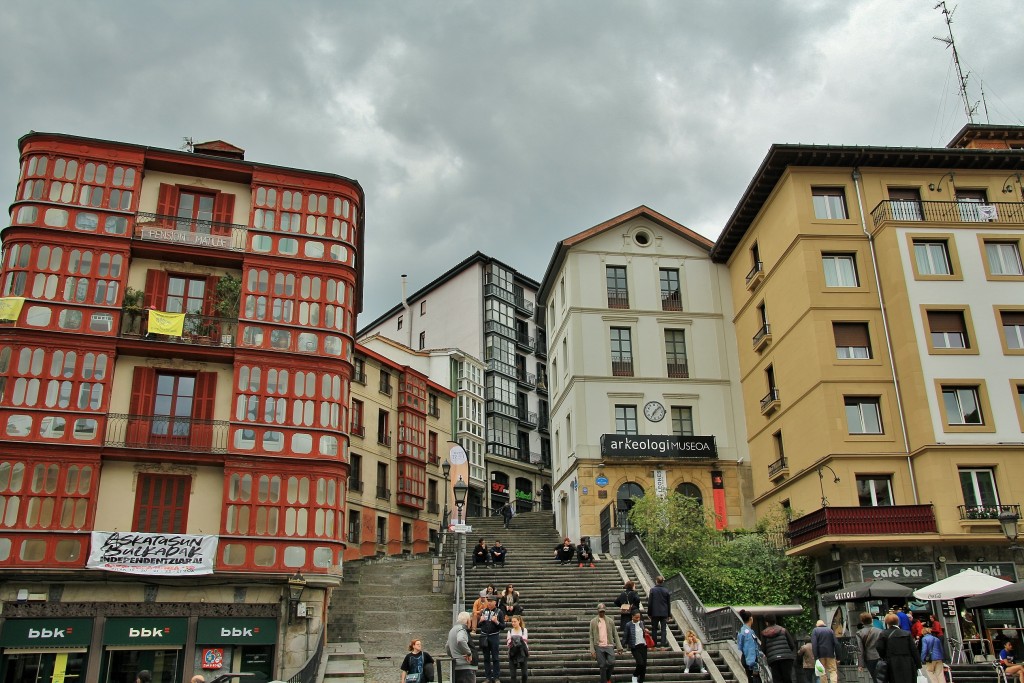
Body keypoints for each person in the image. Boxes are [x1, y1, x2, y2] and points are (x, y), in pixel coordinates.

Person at [878, 612, 920, 683]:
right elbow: (914, 650)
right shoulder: (906, 633)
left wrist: (885, 657)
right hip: (907, 661)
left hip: (891, 662)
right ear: (898, 621)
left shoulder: (883, 634)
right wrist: (918, 664)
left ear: (887, 623)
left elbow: (879, 648)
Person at [589, 603, 624, 683]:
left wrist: (619, 647)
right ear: (597, 611)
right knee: (602, 665)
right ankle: (604, 681)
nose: (602, 613)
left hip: (609, 644)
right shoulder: (593, 622)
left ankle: (607, 677)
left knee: (612, 662)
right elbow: (591, 636)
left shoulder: (610, 621)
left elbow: (615, 634)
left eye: (603, 611)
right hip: (598, 645)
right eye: (600, 611)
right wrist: (592, 650)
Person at [762, 613, 797, 683]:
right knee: (788, 678)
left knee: (777, 679)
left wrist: (769, 655)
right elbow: (792, 645)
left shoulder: (764, 633)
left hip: (773, 659)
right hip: (786, 658)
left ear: (766, 622)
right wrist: (787, 652)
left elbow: (763, 648)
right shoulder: (783, 630)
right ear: (775, 620)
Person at [478, 594, 503, 683]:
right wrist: (480, 621)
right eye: (488, 601)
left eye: (490, 601)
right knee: (486, 658)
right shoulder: (484, 611)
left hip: (494, 636)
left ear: (495, 602)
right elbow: (479, 625)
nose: (489, 603)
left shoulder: (499, 612)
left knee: (495, 658)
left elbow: (503, 626)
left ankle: (496, 677)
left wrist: (496, 622)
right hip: (485, 636)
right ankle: (488, 677)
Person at [447, 611, 477, 683]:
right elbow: (460, 640)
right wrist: (469, 653)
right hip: (466, 667)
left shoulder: (452, 630)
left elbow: (447, 647)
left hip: (457, 667)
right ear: (467, 621)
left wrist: (454, 656)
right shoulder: (461, 629)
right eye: (470, 620)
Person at [856, 611, 883, 681]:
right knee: (883, 677)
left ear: (862, 621)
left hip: (869, 658)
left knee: (874, 677)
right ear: (871, 620)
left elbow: (860, 649)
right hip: (880, 656)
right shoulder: (880, 631)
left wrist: (860, 664)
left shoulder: (860, 633)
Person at [625, 609, 650, 683]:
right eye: (636, 617)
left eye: (639, 617)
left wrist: (646, 631)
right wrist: (622, 647)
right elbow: (625, 636)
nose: (638, 619)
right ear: (632, 617)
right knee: (640, 663)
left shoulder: (642, 623)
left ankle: (641, 680)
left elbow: (643, 633)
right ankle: (635, 675)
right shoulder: (628, 625)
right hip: (635, 647)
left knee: (644, 665)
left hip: (643, 645)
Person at [647, 576, 671, 650]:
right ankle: (662, 645)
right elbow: (668, 603)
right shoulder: (666, 591)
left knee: (654, 629)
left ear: (656, 581)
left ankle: (654, 645)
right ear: (662, 582)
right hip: (664, 612)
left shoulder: (653, 590)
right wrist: (669, 614)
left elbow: (650, 603)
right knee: (663, 629)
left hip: (655, 612)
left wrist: (649, 613)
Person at [811, 619, 839, 683]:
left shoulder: (815, 631)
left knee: (822, 672)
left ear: (817, 625)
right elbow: (836, 644)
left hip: (820, 655)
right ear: (824, 624)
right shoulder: (830, 630)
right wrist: (838, 657)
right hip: (830, 654)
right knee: (833, 670)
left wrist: (816, 656)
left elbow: (814, 644)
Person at [737, 609, 761, 683]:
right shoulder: (748, 632)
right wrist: (753, 664)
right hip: (750, 660)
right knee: (755, 680)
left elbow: (740, 646)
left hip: (745, 657)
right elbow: (749, 648)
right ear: (751, 618)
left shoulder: (742, 630)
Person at [506, 614, 529, 683]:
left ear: (519, 621)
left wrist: (515, 640)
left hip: (522, 653)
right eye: (512, 622)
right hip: (513, 653)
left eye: (515, 621)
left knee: (524, 674)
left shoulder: (524, 630)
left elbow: (524, 641)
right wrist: (517, 640)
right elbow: (508, 643)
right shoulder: (510, 631)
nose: (513, 623)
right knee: (513, 675)